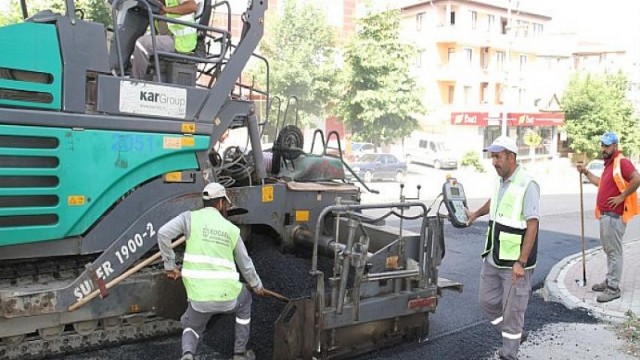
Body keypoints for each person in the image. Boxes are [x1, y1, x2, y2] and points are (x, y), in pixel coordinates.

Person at [157, 182, 264, 360]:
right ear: (221, 203)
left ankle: (188, 354)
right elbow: (245, 264)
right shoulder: (232, 230)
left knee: (192, 325)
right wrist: (257, 285)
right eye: (225, 203)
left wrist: (170, 266)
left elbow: (163, 234)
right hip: (228, 297)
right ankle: (239, 353)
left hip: (199, 298)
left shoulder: (189, 218)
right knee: (245, 301)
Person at [465, 136, 540, 360]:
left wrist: (521, 262)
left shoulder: (528, 184)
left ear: (511, 157)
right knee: (486, 301)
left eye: (498, 157)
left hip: (515, 263)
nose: (494, 162)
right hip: (493, 256)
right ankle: (513, 334)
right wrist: (476, 214)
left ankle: (509, 353)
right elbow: (495, 201)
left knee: (513, 311)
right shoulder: (500, 181)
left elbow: (532, 225)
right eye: (493, 157)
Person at [577, 131, 640, 303]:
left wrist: (622, 197)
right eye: (602, 145)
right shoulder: (609, 165)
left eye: (607, 145)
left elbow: (637, 179)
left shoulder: (622, 162)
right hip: (606, 216)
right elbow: (600, 183)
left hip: (614, 216)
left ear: (615, 146)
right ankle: (610, 280)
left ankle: (613, 288)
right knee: (609, 251)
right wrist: (586, 172)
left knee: (614, 252)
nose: (603, 148)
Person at [130, 0, 202, 79]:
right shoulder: (165, 3)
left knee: (142, 44)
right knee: (137, 49)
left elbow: (192, 6)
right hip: (175, 38)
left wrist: (166, 9)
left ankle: (134, 82)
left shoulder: (170, 5)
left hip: (183, 41)